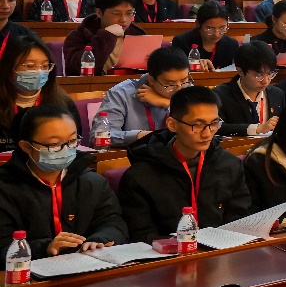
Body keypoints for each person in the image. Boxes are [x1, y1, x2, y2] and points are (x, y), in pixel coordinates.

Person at [117, 85, 251, 241]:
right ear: (172, 125)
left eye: (214, 123)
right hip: (167, 253)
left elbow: (239, 216)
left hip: (221, 249)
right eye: (198, 125)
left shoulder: (229, 164)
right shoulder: (140, 175)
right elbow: (141, 234)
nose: (207, 133)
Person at [0, 104, 127, 259]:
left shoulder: (92, 182)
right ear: (26, 146)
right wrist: (45, 247)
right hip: (30, 269)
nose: (65, 150)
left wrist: (99, 240)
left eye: (72, 141)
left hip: (86, 264)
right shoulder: (5, 188)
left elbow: (114, 223)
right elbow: (3, 246)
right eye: (54, 144)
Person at [0, 35, 79, 156]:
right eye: (30, 66)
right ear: (9, 67)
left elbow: (75, 142)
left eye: (45, 66)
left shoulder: (63, 102)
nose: (39, 72)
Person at [100, 47, 192, 146]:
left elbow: (197, 129)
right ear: (151, 80)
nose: (179, 89)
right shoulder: (121, 94)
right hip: (136, 155)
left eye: (184, 81)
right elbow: (100, 136)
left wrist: (168, 104)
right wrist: (141, 136)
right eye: (170, 84)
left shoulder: (189, 90)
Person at [63, 0, 145, 76]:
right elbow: (75, 70)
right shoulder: (79, 35)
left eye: (129, 13)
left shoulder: (137, 34)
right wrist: (106, 36)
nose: (124, 19)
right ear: (99, 13)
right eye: (116, 13)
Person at [214, 41, 285, 138]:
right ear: (240, 71)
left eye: (269, 74)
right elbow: (217, 127)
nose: (265, 81)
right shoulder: (220, 96)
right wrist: (256, 129)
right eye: (259, 75)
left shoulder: (277, 94)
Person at [171, 1, 240, 71]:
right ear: (198, 24)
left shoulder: (231, 44)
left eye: (222, 28)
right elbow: (177, 69)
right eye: (210, 29)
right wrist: (193, 66)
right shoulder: (181, 42)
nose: (216, 34)